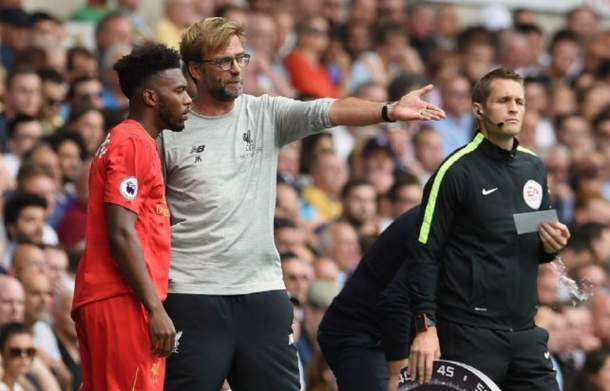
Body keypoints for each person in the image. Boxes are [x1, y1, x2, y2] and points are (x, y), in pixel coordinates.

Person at [159, 16, 444, 391]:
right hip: (192, 294)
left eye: (240, 59)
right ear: (194, 70)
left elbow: (329, 110)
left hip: (262, 291)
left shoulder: (263, 112)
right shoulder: (168, 131)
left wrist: (388, 110)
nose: (235, 69)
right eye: (223, 62)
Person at [407, 67, 570, 390]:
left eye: (520, 101)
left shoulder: (532, 165)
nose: (514, 108)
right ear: (479, 109)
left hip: (524, 331)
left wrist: (552, 245)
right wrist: (426, 327)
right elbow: (424, 252)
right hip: (469, 332)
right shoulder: (456, 171)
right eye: (504, 100)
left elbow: (530, 242)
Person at [71, 43, 191, 390]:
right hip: (121, 299)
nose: (187, 100)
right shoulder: (132, 142)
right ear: (151, 98)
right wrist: (154, 308)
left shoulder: (130, 140)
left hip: (108, 297)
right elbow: (121, 231)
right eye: (179, 90)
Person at [318, 206, 419, 391]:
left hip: (401, 337)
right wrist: (399, 374)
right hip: (363, 333)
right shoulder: (433, 220)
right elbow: (396, 300)